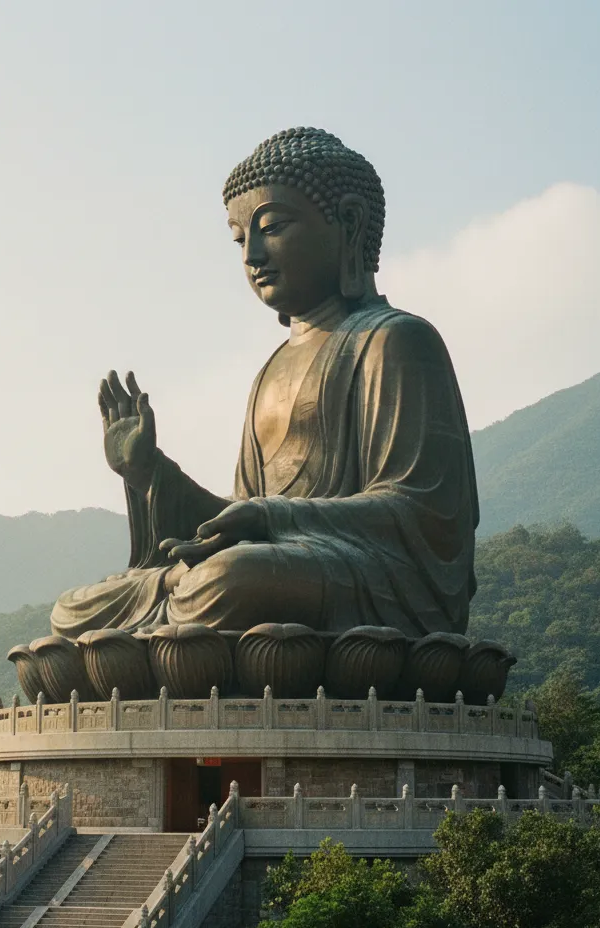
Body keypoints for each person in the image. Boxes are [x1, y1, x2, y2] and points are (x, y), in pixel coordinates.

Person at [52, 127, 478, 640]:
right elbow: (236, 523)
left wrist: (271, 517)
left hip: (369, 583)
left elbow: (422, 515)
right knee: (76, 609)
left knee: (233, 580)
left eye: (271, 227)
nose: (252, 254)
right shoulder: (269, 373)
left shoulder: (396, 341)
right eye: (239, 238)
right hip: (279, 574)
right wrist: (149, 474)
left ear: (348, 222)